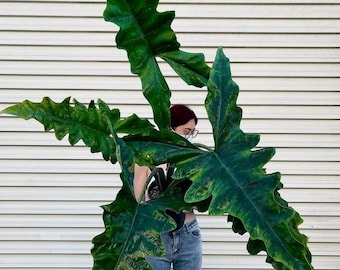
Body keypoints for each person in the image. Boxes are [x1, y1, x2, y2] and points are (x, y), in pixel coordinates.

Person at [133, 104, 202, 270]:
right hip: (156, 233)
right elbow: (139, 197)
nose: (190, 137)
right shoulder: (147, 156)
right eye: (187, 132)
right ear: (171, 129)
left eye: (193, 132)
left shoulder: (194, 157)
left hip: (188, 232)